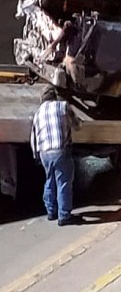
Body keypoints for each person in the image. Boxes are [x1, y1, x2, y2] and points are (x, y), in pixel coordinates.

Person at [30, 85, 82, 226]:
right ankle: (64, 216)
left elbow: (33, 136)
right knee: (63, 182)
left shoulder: (37, 113)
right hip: (60, 150)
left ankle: (51, 211)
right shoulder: (62, 106)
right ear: (55, 96)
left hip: (44, 152)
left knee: (50, 179)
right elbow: (77, 125)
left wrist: (36, 155)